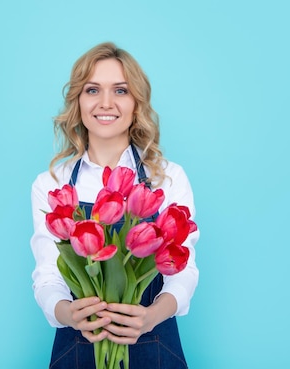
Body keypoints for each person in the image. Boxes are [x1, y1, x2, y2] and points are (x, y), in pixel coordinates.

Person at [30, 42, 199, 369]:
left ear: (137, 103)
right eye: (93, 90)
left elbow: (183, 270)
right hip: (77, 347)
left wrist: (150, 316)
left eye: (120, 90)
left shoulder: (167, 178)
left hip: (155, 342)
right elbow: (48, 276)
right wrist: (69, 313)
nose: (105, 103)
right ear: (78, 102)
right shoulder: (52, 184)